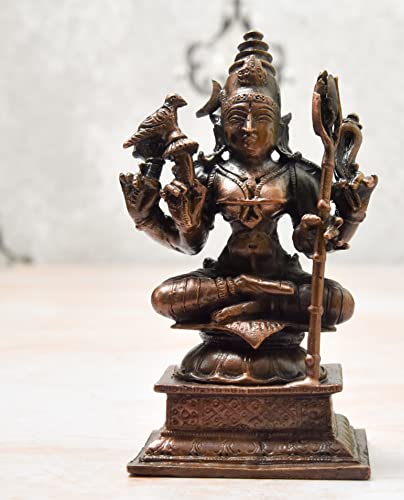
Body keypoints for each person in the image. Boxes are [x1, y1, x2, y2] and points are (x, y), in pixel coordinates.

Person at [120, 31, 377, 383]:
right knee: (163, 296)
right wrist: (148, 217)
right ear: (220, 125)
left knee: (339, 303)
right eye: (237, 117)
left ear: (281, 126)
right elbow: (189, 244)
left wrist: (347, 218)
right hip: (226, 277)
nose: (249, 128)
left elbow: (318, 246)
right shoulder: (208, 175)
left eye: (262, 118)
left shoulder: (296, 175)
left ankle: (259, 299)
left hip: (282, 276)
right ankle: (247, 290)